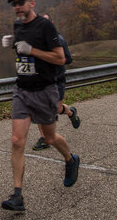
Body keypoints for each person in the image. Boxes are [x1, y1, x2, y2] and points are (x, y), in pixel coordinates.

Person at [0, 0, 80, 211]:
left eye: (20, 3)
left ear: (32, 4)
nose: (17, 7)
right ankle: (17, 196)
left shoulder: (46, 27)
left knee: (50, 137)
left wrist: (32, 50)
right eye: (13, 4)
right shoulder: (18, 26)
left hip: (45, 90)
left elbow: (60, 58)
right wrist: (13, 45)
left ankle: (71, 160)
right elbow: (21, 53)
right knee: (17, 141)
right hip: (22, 89)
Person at [32, 13, 81, 151]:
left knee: (56, 109)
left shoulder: (59, 40)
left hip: (56, 81)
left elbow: (68, 59)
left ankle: (70, 112)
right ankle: (44, 138)